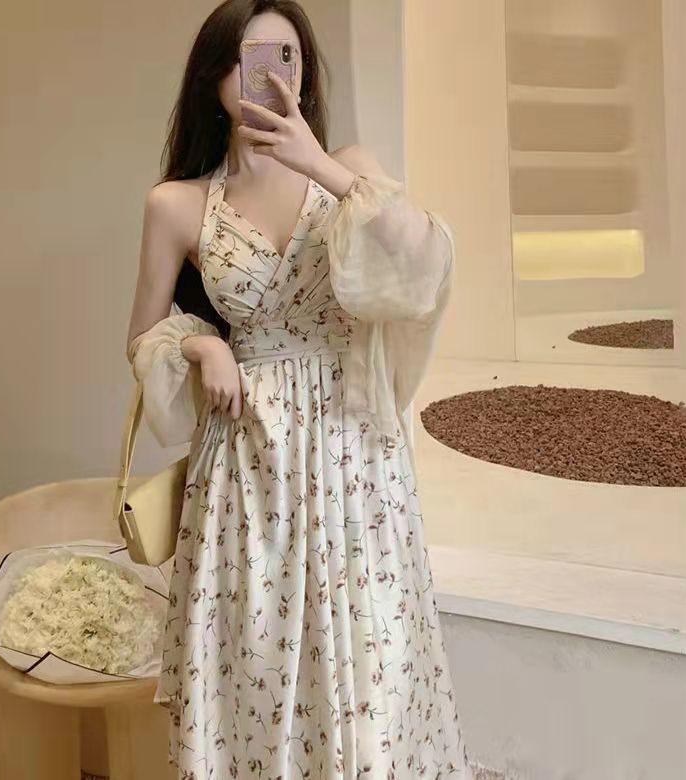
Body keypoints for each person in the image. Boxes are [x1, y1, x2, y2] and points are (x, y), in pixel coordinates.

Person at [125, 1, 474, 777]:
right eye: (248, 58)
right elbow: (142, 335)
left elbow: (423, 263)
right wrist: (203, 343)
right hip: (249, 461)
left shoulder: (351, 169)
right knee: (259, 651)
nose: (270, 76)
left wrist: (323, 166)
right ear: (215, 77)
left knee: (372, 652)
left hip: (356, 449)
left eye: (287, 57)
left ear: (306, 72)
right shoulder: (178, 204)